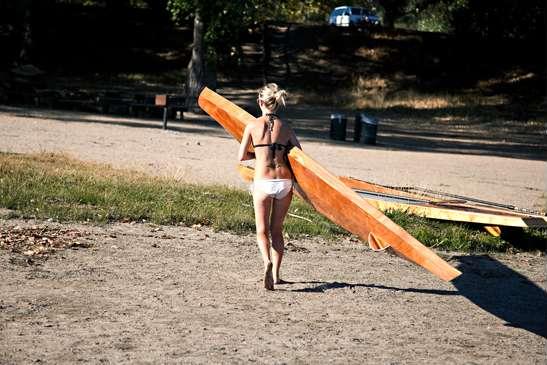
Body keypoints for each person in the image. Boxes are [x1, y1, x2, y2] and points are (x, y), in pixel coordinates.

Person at [238, 83, 301, 291]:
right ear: (276, 103)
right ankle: (276, 276)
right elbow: (299, 157)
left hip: (263, 181)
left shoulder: (252, 125)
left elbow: (241, 157)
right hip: (284, 181)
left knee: (262, 231)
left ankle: (266, 261)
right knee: (277, 230)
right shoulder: (287, 127)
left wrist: (260, 154)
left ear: (260, 102)